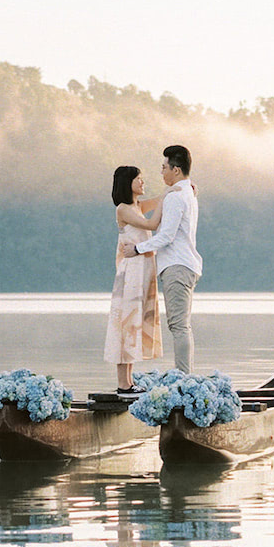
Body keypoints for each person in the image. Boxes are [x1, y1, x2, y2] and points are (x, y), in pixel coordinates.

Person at [122, 145, 201, 372]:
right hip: (184, 264)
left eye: (164, 167)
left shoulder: (177, 197)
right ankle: (185, 375)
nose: (161, 172)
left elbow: (166, 236)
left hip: (177, 266)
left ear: (176, 170)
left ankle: (184, 377)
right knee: (181, 325)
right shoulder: (186, 193)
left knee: (179, 325)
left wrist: (137, 249)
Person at [105, 165, 164, 391]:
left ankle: (129, 382)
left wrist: (180, 190)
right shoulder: (123, 209)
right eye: (138, 179)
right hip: (131, 274)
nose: (142, 182)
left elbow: (159, 201)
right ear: (127, 183)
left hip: (142, 272)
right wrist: (167, 199)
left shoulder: (137, 206)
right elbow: (152, 224)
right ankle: (123, 384)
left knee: (133, 325)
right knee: (126, 325)